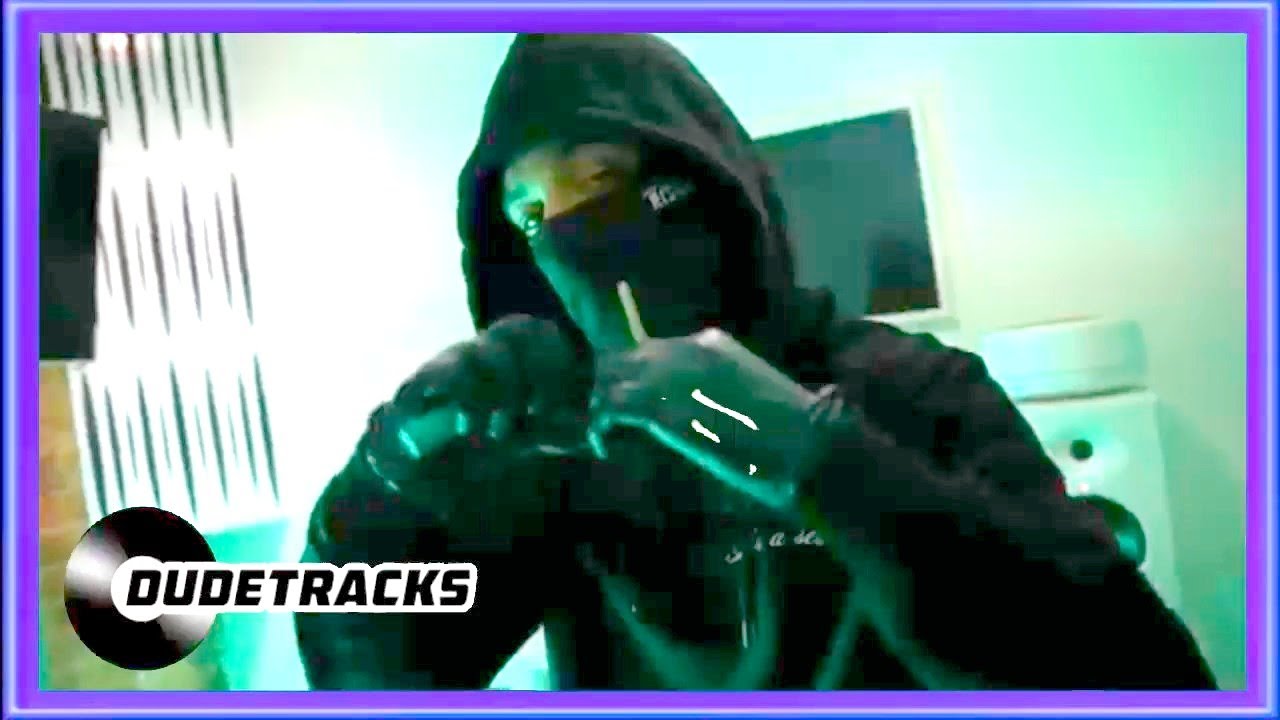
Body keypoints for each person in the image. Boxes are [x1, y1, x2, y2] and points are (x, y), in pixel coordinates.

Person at [294, 33, 1216, 690]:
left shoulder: (914, 388)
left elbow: (1135, 673)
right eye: (531, 216)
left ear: (699, 179)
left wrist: (818, 456)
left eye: (600, 180)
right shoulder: (563, 458)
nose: (564, 234)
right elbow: (370, 673)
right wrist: (389, 474)